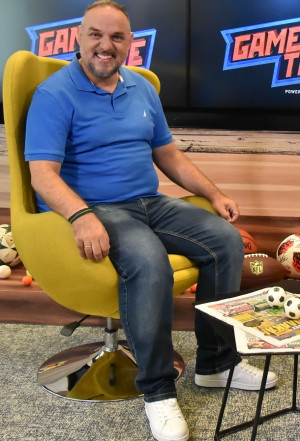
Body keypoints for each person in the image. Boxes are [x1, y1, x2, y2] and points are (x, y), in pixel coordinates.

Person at [24, 2, 277, 440]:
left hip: (148, 202)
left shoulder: (141, 87)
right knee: (148, 258)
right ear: (78, 38)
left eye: (117, 37)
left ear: (129, 43)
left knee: (225, 241)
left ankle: (217, 365)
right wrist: (81, 215)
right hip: (95, 206)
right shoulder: (54, 94)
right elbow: (42, 174)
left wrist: (214, 194)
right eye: (96, 35)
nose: (105, 45)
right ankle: (157, 391)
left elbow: (168, 154)